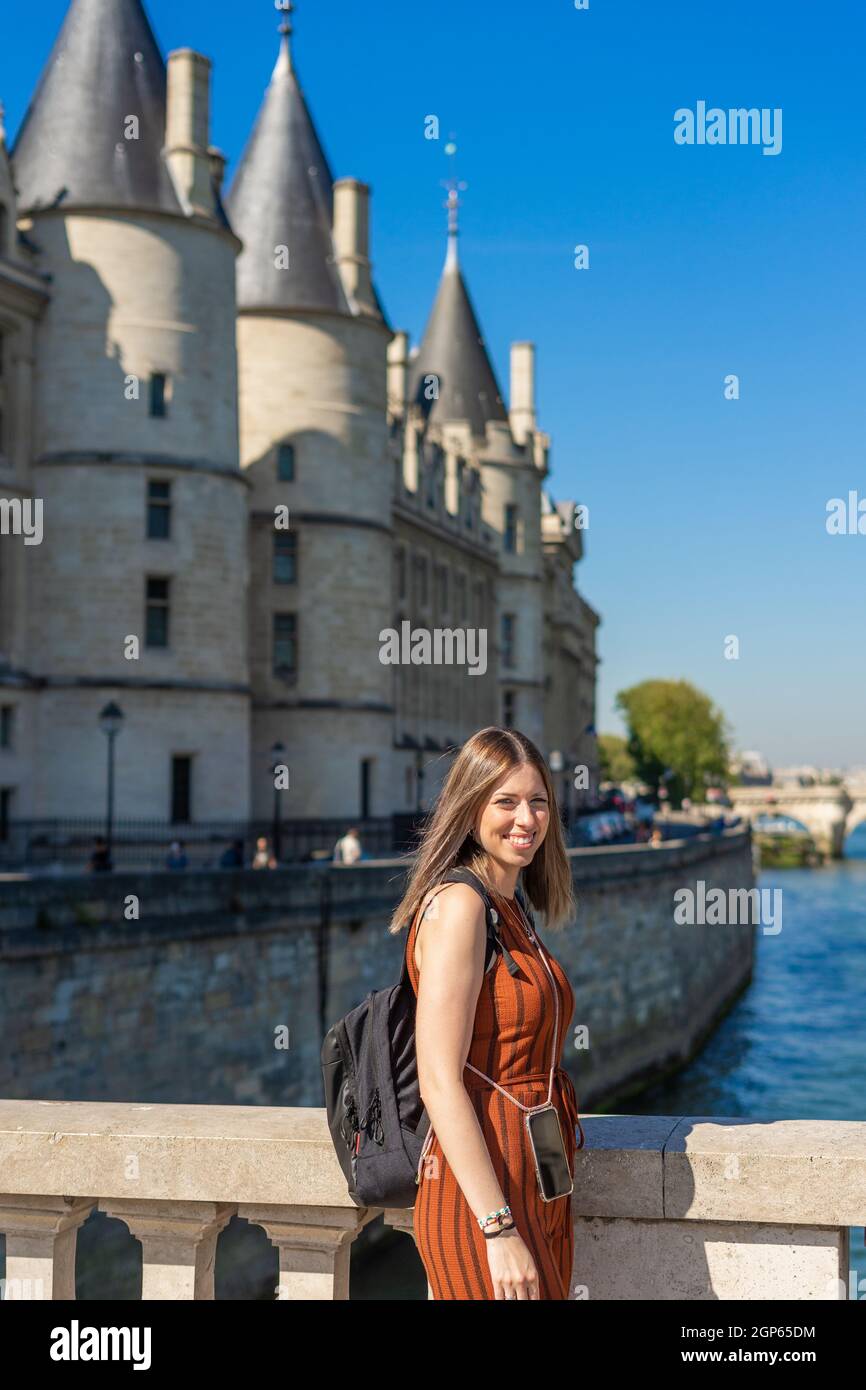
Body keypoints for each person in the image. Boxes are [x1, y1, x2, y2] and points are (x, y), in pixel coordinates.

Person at [389, 725, 579, 1301]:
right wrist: (498, 1230)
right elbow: (441, 1081)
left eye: (538, 801)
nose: (527, 818)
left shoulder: (508, 906)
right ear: (470, 807)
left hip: (537, 1174)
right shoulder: (460, 906)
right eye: (506, 801)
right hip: (483, 1197)